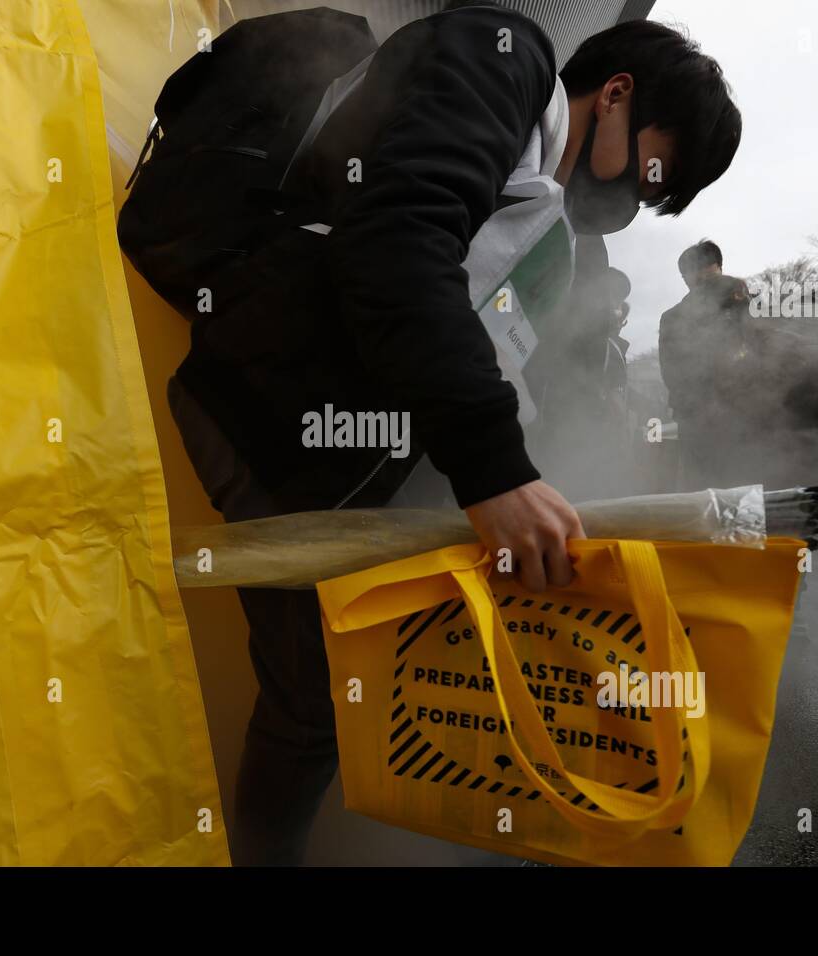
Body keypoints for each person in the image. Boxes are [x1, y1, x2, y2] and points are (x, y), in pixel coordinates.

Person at [154, 7, 742, 863]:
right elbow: (397, 241)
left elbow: (509, 364)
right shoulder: (504, 60)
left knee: (351, 686)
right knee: (315, 699)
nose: (639, 202)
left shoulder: (544, 222)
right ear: (616, 94)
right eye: (655, 173)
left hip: (348, 447)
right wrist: (493, 470)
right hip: (270, 407)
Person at [658, 239, 753, 489]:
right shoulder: (673, 318)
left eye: (705, 267)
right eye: (688, 271)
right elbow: (672, 373)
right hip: (699, 419)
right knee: (707, 489)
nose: (696, 276)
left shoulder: (750, 306)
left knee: (745, 485)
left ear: (718, 267)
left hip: (750, 414)